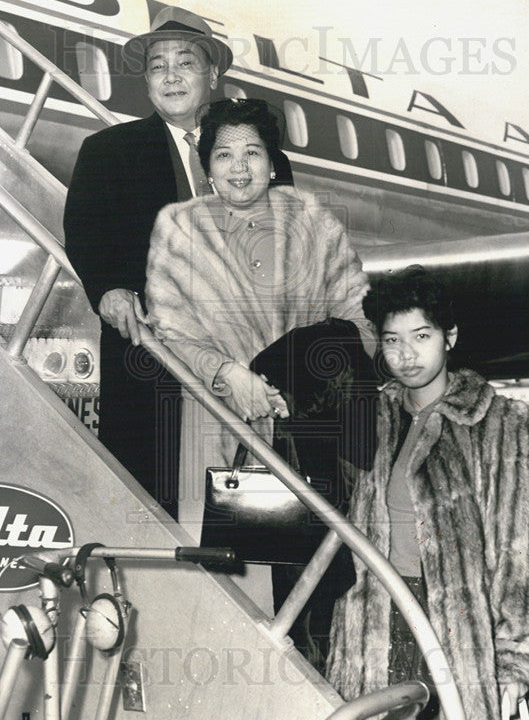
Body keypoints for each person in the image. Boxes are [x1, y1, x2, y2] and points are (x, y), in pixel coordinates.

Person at [325, 267, 529, 720]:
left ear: (450, 336)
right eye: (392, 340)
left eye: (421, 337)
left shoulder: (498, 424)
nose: (405, 355)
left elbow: (517, 550)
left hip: (453, 633)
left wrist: (514, 660)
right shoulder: (371, 417)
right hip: (376, 624)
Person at [145, 97, 375, 617]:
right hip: (217, 420)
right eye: (223, 156)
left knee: (320, 586)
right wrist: (228, 374)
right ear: (206, 170)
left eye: (253, 153)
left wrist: (303, 375)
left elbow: (360, 317)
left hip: (309, 428)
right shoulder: (178, 228)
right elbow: (168, 330)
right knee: (229, 585)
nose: (239, 168)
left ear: (273, 163)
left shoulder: (314, 222)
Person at [63, 7, 292, 518]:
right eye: (157, 66)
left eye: (185, 63)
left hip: (243, 359)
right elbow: (85, 232)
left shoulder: (256, 153)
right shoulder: (107, 151)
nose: (170, 76)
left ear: (213, 75)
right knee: (155, 507)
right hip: (152, 362)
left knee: (248, 520)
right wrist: (108, 289)